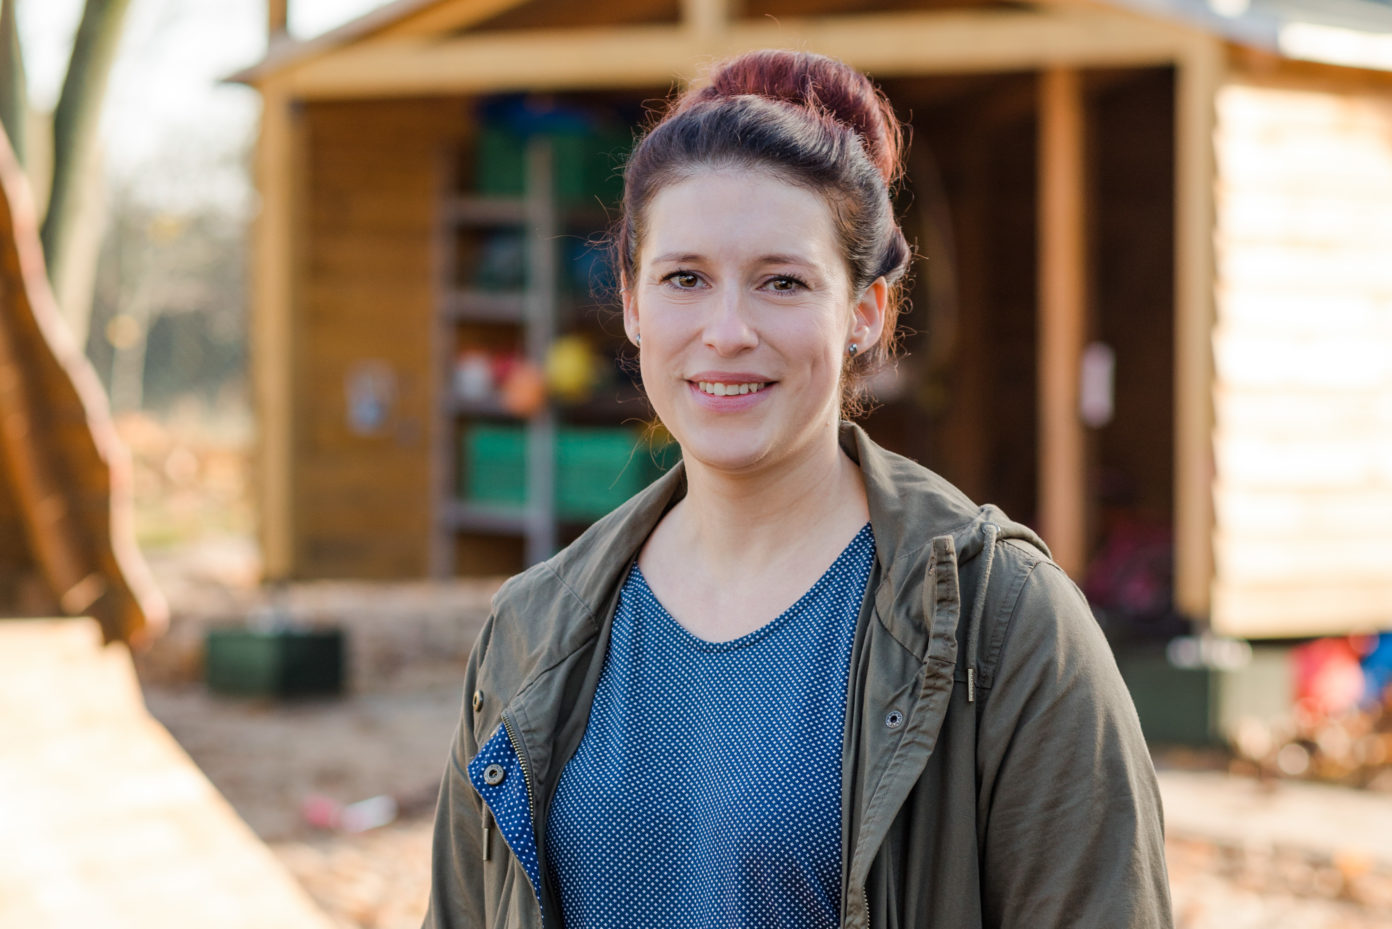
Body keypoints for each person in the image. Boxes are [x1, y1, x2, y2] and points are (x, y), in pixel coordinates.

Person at [424, 49, 1172, 929]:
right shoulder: (531, 631)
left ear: (866, 312)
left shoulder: (1000, 622)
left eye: (783, 281)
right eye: (685, 278)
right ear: (630, 300)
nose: (728, 331)